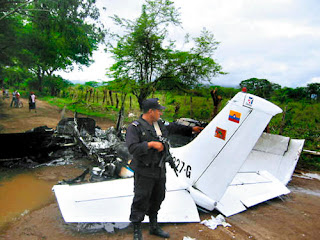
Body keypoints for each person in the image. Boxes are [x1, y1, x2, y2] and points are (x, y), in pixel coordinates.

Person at [126, 98, 203, 240]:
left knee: (158, 197)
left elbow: (174, 127)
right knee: (141, 198)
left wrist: (192, 129)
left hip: (159, 169)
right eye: (158, 110)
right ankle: (136, 229)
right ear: (151, 111)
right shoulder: (135, 128)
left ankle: (153, 226)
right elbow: (132, 148)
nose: (161, 113)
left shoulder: (158, 124)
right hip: (144, 170)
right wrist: (150, 145)